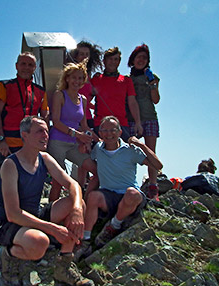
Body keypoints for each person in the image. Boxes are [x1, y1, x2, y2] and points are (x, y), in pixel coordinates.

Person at [0, 116, 94, 286]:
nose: (45, 135)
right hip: (7, 224)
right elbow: (13, 214)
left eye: (47, 131)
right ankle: (9, 256)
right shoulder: (10, 165)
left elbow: (73, 184)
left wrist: (77, 209)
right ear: (24, 135)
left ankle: (64, 265)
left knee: (77, 203)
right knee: (40, 243)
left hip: (34, 215)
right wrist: (54, 229)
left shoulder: (45, 158)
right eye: (40, 131)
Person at [0, 52, 49, 251]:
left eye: (30, 65)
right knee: (1, 185)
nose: (27, 67)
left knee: (28, 184)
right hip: (7, 143)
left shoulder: (40, 91)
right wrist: (0, 139)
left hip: (28, 144)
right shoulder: (5, 86)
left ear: (35, 69)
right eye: (23, 64)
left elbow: (44, 116)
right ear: (16, 66)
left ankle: (23, 222)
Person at [75, 116, 163, 260]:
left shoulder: (131, 150)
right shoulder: (98, 149)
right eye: (105, 130)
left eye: (113, 130)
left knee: (132, 193)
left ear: (120, 132)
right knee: (93, 197)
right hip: (108, 195)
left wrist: (141, 145)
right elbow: (85, 156)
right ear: (101, 133)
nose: (109, 134)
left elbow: (158, 166)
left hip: (130, 195)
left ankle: (113, 226)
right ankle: (85, 240)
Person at [48, 61, 99, 202]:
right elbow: (56, 121)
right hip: (57, 142)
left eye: (80, 78)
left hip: (73, 144)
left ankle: (85, 202)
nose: (77, 81)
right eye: (74, 77)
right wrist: (78, 135)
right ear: (67, 78)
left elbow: (84, 126)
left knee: (96, 170)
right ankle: (50, 214)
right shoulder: (59, 95)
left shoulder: (82, 100)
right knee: (58, 181)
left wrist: (94, 138)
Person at [127, 44, 161, 201]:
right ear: (132, 60)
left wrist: (152, 83)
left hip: (150, 117)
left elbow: (156, 99)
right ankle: (129, 184)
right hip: (131, 119)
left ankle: (153, 187)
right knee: (129, 152)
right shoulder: (127, 80)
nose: (141, 60)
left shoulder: (153, 78)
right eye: (138, 57)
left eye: (144, 58)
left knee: (150, 152)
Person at [90, 47, 143, 142]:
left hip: (121, 125)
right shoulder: (96, 80)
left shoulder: (126, 80)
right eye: (110, 59)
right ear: (104, 61)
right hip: (101, 126)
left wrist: (138, 123)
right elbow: (84, 100)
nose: (113, 62)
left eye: (116, 59)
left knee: (125, 155)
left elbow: (132, 102)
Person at [70, 41, 103, 128]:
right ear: (75, 56)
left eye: (87, 54)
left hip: (87, 117)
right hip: (75, 117)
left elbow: (86, 100)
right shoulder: (70, 75)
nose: (84, 57)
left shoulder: (88, 76)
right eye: (81, 54)